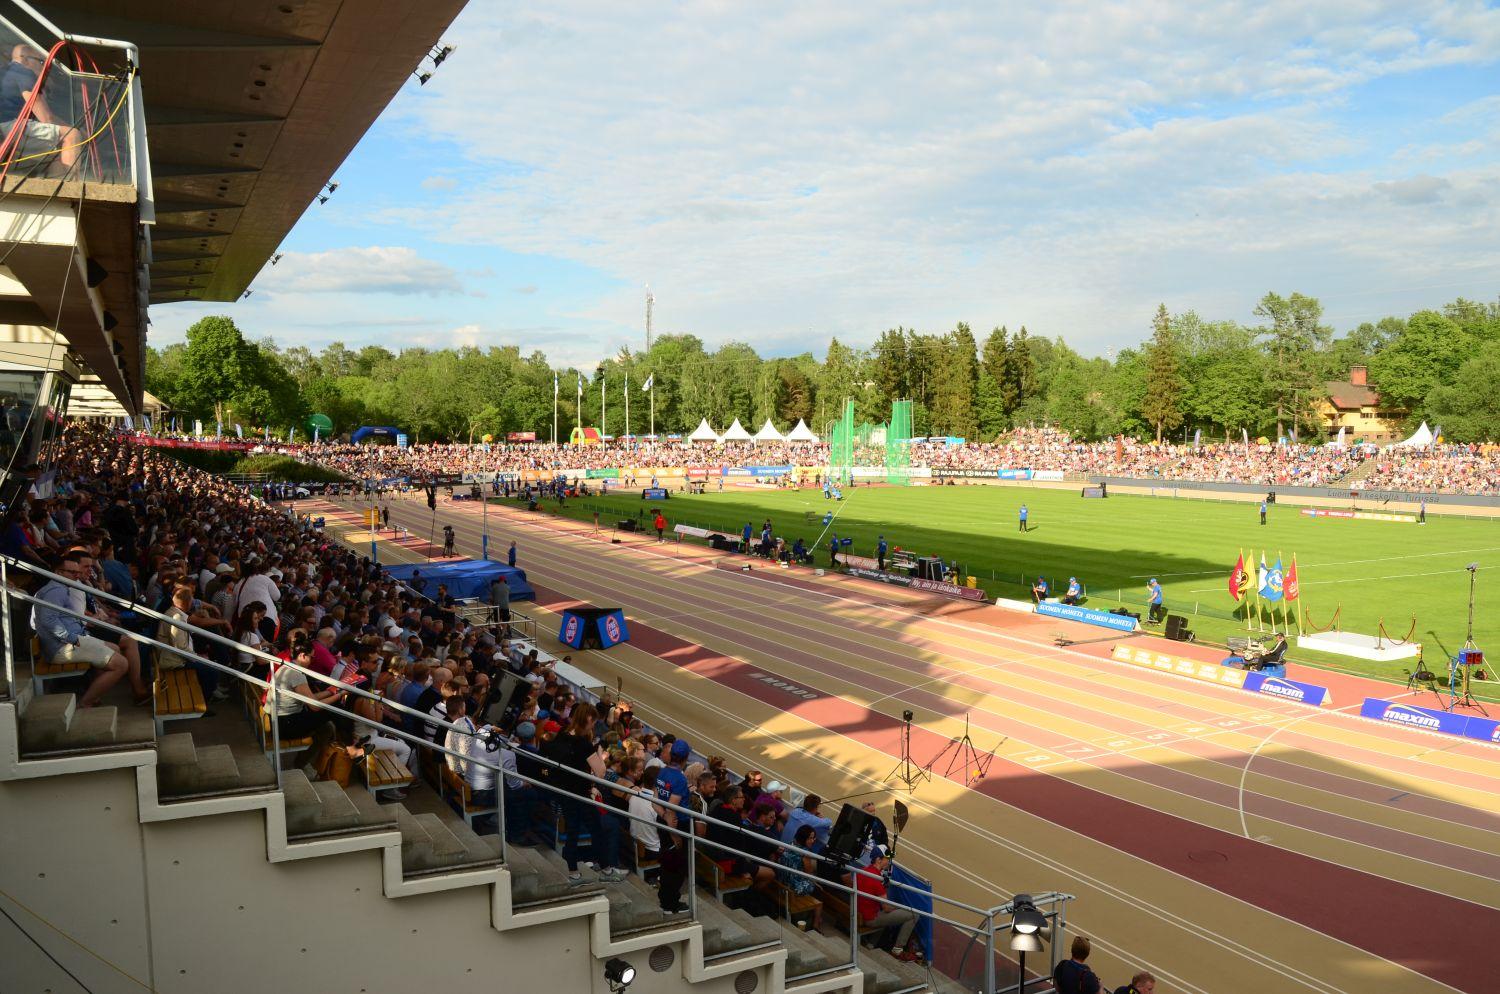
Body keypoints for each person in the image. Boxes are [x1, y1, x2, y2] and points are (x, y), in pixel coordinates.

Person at [31, 553, 148, 708]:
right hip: (62, 647)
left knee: (114, 648)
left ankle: (95, 696)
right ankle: (86, 703)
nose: (77, 576)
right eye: (73, 573)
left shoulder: (59, 588)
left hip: (72, 639)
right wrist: (73, 638)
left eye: (77, 572)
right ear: (59, 573)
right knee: (121, 664)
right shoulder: (55, 591)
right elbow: (48, 621)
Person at [0, 45, 84, 176]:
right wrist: (79, 131)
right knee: (72, 135)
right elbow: (46, 118)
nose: (45, 67)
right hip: (9, 130)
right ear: (25, 59)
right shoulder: (23, 72)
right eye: (41, 62)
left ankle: (56, 189)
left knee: (55, 154)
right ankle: (69, 191)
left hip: (5, 134)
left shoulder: (4, 73)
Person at [854, 846, 919, 960]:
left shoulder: (862, 871)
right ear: (879, 860)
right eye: (887, 858)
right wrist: (898, 906)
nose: (889, 861)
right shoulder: (876, 880)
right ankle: (898, 949)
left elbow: (847, 880)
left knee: (885, 914)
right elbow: (887, 908)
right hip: (870, 919)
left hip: (859, 913)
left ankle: (871, 944)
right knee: (914, 915)